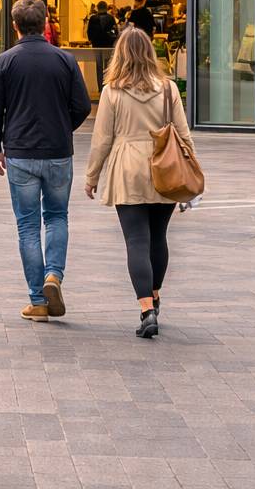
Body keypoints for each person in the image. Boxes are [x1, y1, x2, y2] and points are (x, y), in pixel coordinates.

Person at [0, 0, 91, 323]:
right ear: (45, 23)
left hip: (20, 154)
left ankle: (38, 301)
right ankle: (53, 275)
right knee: (57, 217)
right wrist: (63, 127)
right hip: (58, 152)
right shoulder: (65, 60)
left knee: (27, 226)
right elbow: (83, 105)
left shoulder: (4, 62)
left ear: (15, 25)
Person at [85, 27, 195, 339]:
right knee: (159, 237)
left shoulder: (112, 91)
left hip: (127, 168)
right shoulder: (169, 89)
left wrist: (92, 177)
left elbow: (103, 139)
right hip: (166, 168)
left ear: (120, 54)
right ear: (150, 54)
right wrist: (193, 177)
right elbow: (183, 134)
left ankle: (146, 308)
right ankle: (156, 296)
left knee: (136, 241)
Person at [87, 1, 118, 87]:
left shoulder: (93, 18)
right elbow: (115, 31)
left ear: (97, 7)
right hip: (108, 44)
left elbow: (89, 31)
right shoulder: (111, 18)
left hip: (96, 44)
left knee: (99, 65)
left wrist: (91, 40)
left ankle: (100, 86)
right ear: (106, 7)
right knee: (108, 65)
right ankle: (107, 85)